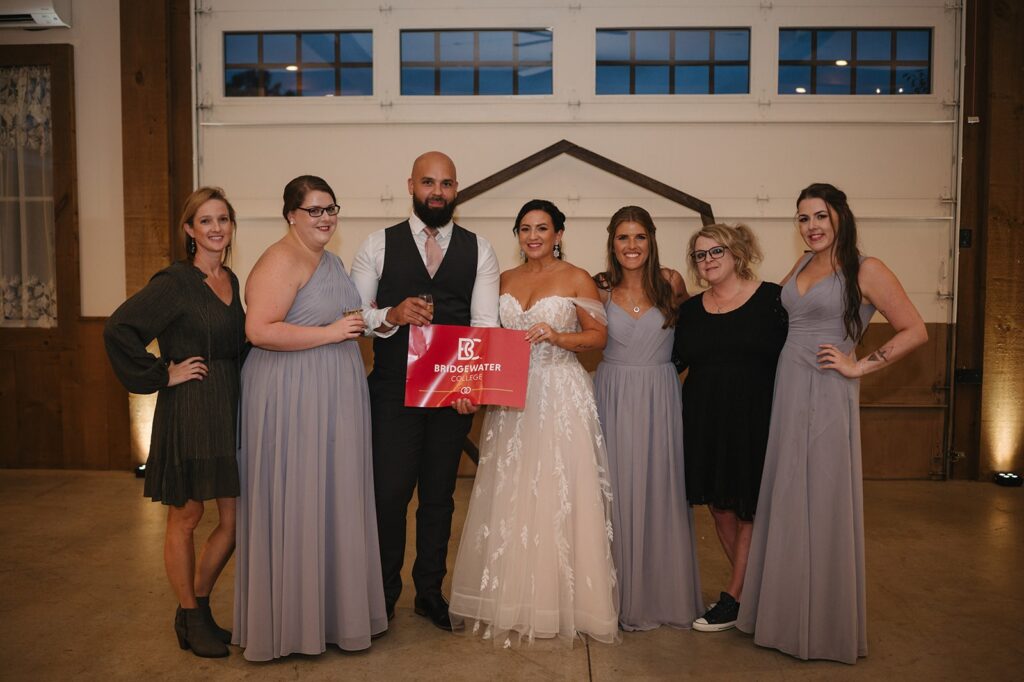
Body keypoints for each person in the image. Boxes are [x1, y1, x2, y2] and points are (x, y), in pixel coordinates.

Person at [737, 183, 927, 663]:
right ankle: (782, 615)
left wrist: (857, 366)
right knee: (786, 495)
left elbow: (916, 329)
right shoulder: (802, 264)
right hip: (788, 386)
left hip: (826, 388)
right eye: (802, 218)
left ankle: (822, 625)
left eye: (820, 216)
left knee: (820, 497)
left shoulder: (867, 268)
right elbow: (774, 315)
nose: (812, 226)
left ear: (840, 216)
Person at [448, 199, 620, 647]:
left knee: (559, 492)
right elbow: (483, 337)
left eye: (542, 228)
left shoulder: (577, 277)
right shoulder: (502, 280)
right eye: (525, 229)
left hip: (560, 393)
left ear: (559, 234)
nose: (533, 236)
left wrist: (559, 336)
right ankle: (513, 598)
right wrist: (469, 385)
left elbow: (599, 336)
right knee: (515, 491)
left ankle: (564, 602)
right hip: (512, 397)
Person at [233, 175, 387, 661]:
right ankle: (291, 624)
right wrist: (334, 334)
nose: (325, 218)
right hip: (291, 395)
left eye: (331, 209)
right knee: (298, 495)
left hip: (332, 394)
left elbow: (346, 315)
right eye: (314, 210)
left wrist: (375, 319)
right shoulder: (279, 259)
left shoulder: (331, 260)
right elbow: (259, 330)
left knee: (332, 496)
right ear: (291, 216)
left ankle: (331, 616)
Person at [349, 151, 500, 630]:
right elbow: (356, 315)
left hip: (452, 395)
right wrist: (389, 315)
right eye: (428, 183)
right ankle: (384, 594)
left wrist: (471, 385)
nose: (438, 192)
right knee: (389, 496)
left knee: (439, 497)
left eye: (447, 184)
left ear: (457, 189)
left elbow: (484, 323)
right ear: (410, 185)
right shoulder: (376, 244)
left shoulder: (481, 250)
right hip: (393, 390)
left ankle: (430, 592)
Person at [104, 187, 245, 658]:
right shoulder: (174, 282)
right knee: (187, 515)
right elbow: (119, 328)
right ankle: (190, 610)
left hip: (228, 407)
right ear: (189, 230)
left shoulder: (233, 280)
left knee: (234, 520)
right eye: (205, 221)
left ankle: (195, 608)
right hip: (189, 408)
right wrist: (163, 372)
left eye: (223, 219)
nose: (216, 228)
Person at [591, 206, 703, 631]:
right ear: (612, 243)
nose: (631, 246)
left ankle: (660, 593)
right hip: (613, 393)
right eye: (623, 238)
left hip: (660, 394)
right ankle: (611, 598)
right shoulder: (599, 289)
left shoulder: (671, 282)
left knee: (661, 487)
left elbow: (699, 331)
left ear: (651, 240)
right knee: (613, 489)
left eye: (639, 237)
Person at [673, 223, 788, 632]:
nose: (708, 261)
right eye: (701, 255)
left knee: (749, 508)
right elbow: (673, 362)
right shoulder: (689, 311)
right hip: (705, 419)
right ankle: (748, 591)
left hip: (756, 418)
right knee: (719, 506)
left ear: (736, 252)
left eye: (715, 252)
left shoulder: (773, 299)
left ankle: (735, 596)